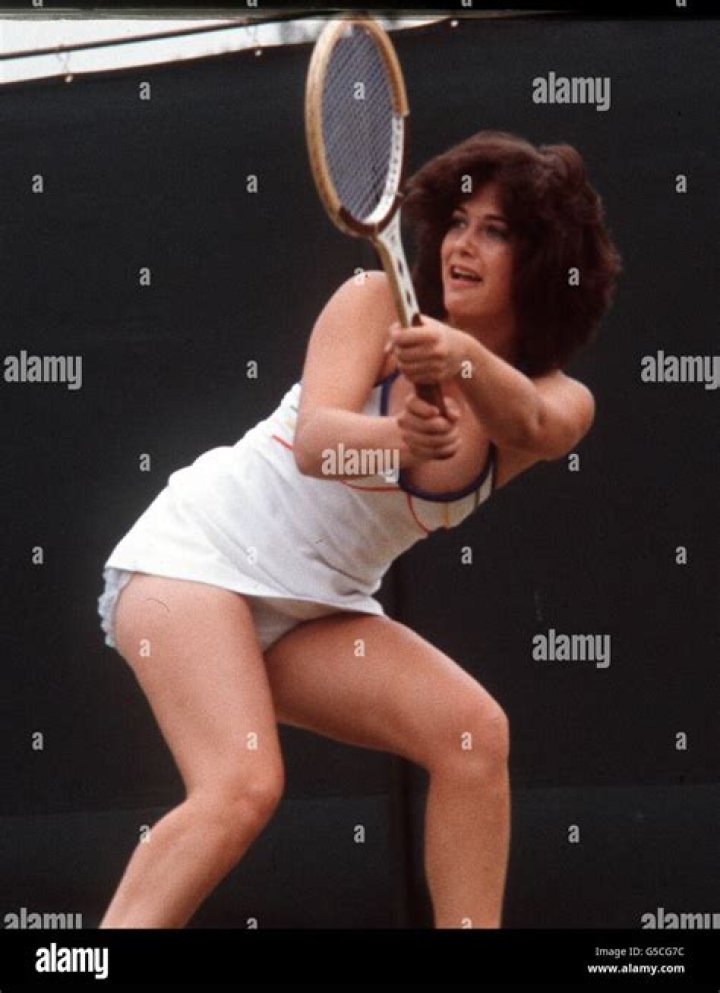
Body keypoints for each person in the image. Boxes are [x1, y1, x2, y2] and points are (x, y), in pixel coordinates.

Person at [96, 130, 620, 929]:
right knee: (242, 784)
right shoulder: (373, 300)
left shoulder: (560, 397)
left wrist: (460, 358)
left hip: (316, 608)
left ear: (545, 260)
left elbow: (538, 423)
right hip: (192, 561)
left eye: (495, 231)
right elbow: (316, 443)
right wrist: (400, 438)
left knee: (473, 735)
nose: (462, 244)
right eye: (457, 222)